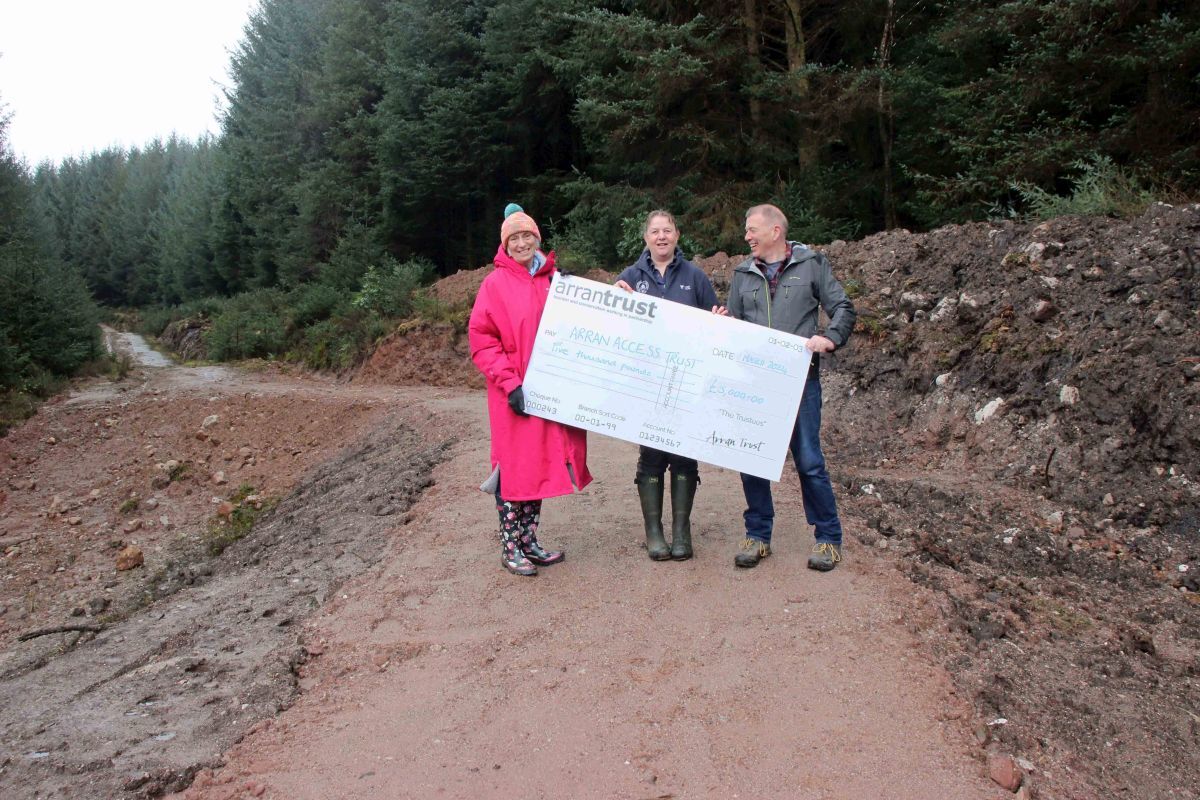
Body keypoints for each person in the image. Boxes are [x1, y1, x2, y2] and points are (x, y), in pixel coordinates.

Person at [726, 204, 856, 571]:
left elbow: (843, 307)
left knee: (810, 462)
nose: (747, 236)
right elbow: (734, 325)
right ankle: (757, 535)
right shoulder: (742, 273)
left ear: (775, 231)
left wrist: (830, 338)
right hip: (754, 384)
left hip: (801, 383)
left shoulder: (812, 265)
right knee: (750, 458)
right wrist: (721, 324)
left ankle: (828, 539)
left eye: (752, 229)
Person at [468, 203, 592, 576]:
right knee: (513, 468)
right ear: (505, 244)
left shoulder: (555, 281)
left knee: (539, 463)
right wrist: (510, 383)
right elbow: (482, 340)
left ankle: (529, 540)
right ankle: (511, 546)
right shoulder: (494, 285)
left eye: (528, 236)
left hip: (549, 392)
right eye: (515, 237)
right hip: (514, 396)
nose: (522, 243)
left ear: (538, 239)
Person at [615, 210, 721, 561]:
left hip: (687, 383)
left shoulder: (695, 276)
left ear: (677, 235)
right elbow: (615, 328)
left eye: (668, 230)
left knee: (684, 455)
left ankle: (681, 532)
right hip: (647, 382)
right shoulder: (630, 277)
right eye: (655, 231)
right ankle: (654, 533)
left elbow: (716, 323)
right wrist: (616, 303)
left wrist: (721, 321)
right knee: (652, 456)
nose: (661, 236)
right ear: (645, 237)